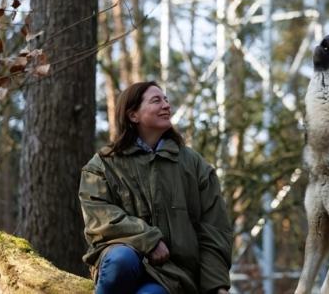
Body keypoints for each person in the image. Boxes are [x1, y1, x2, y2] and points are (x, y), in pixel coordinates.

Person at [79, 81, 232, 294]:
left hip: (173, 274)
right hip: (120, 260)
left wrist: (217, 286)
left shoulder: (195, 165)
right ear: (133, 115)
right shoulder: (103, 164)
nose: (166, 105)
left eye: (166, 100)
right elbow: (100, 218)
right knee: (121, 260)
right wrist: (149, 240)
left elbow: (214, 229)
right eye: (156, 100)